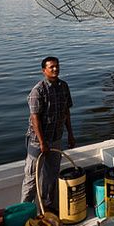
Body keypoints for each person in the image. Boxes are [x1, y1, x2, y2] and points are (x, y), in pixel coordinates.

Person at [20, 56, 75, 210]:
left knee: (51, 176)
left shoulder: (64, 87)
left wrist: (70, 134)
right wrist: (42, 142)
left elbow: (66, 112)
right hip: (37, 142)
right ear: (44, 71)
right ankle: (24, 211)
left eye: (57, 66)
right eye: (51, 67)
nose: (55, 69)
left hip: (56, 138)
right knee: (32, 179)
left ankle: (48, 207)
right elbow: (35, 118)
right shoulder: (38, 91)